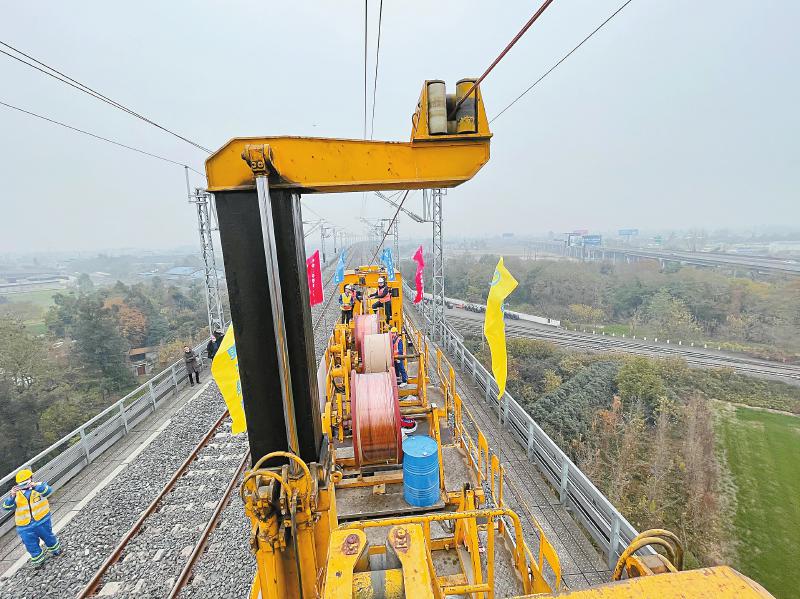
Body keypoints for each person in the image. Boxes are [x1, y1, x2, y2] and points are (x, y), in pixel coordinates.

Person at [2, 469, 62, 568]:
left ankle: (56, 550)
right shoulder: (16, 494)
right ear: (18, 484)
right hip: (24, 526)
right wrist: (12, 496)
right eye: (22, 483)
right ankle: (39, 561)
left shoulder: (39, 486)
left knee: (48, 537)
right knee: (30, 544)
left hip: (42, 520)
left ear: (31, 478)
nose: (24, 484)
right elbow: (6, 507)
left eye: (26, 481)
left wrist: (35, 486)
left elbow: (48, 490)